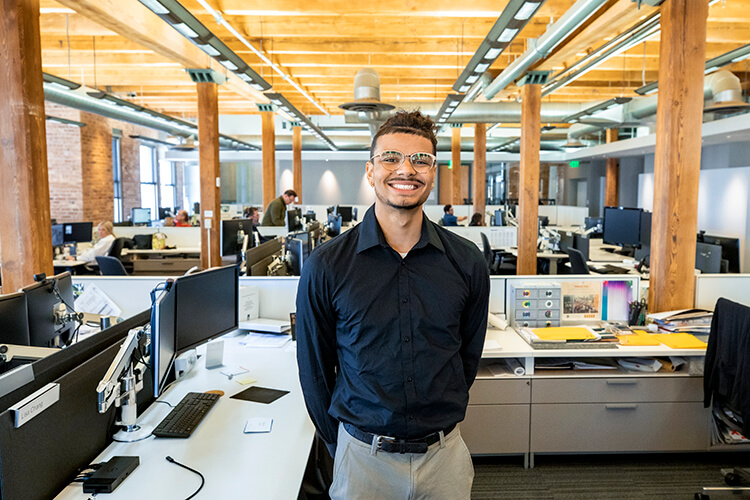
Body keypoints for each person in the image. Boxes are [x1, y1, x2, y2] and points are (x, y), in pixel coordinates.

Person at [296, 110, 490, 500]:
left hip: (443, 458)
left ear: (433, 174)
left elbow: (466, 359)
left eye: (421, 160)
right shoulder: (327, 265)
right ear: (371, 171)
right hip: (363, 458)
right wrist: (343, 447)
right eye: (391, 158)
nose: (407, 169)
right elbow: (315, 371)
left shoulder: (467, 262)